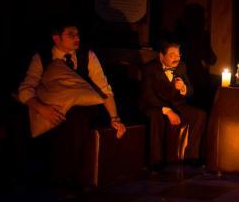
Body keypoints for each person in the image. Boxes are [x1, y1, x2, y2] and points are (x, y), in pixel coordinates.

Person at [18, 19, 126, 188]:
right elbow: (26, 89)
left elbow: (104, 89)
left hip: (82, 110)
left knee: (76, 117)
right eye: (71, 35)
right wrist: (42, 108)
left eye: (77, 34)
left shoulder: (87, 56)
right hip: (51, 107)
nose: (77, 38)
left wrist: (114, 117)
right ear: (56, 38)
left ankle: (67, 177)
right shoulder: (42, 58)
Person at [140, 41, 207, 167]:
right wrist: (168, 111)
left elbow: (190, 90)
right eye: (172, 55)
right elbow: (149, 96)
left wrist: (183, 88)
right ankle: (156, 160)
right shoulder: (150, 68)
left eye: (178, 55)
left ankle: (191, 156)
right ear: (161, 56)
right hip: (156, 105)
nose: (177, 58)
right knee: (156, 116)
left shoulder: (181, 66)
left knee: (199, 115)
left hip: (177, 104)